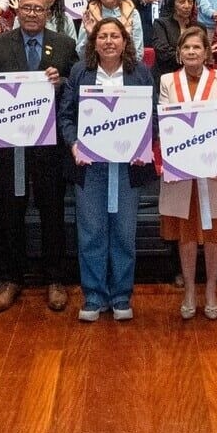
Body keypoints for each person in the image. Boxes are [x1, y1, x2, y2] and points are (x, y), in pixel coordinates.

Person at [0, 0, 80, 313]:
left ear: (48, 11)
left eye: (39, 8)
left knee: (52, 213)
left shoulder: (64, 44)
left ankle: (55, 279)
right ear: (17, 10)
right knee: (10, 213)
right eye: (26, 8)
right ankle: (11, 279)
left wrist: (62, 82)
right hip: (11, 146)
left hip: (49, 148)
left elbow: (78, 87)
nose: (32, 13)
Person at [58, 18, 156, 322]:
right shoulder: (80, 73)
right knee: (91, 233)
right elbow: (66, 116)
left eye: (115, 36)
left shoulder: (140, 74)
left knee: (125, 233)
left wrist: (144, 146)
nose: (109, 41)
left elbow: (152, 116)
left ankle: (121, 295)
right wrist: (74, 145)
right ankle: (94, 296)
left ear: (125, 42)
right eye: (103, 36)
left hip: (128, 167)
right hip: (91, 167)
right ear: (94, 42)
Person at [159, 27, 217, 320]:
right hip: (183, 171)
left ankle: (211, 289)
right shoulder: (167, 80)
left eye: (197, 47)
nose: (192, 52)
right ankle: (190, 290)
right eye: (186, 48)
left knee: (214, 232)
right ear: (179, 53)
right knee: (187, 233)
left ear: (207, 52)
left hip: (215, 169)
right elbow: (167, 122)